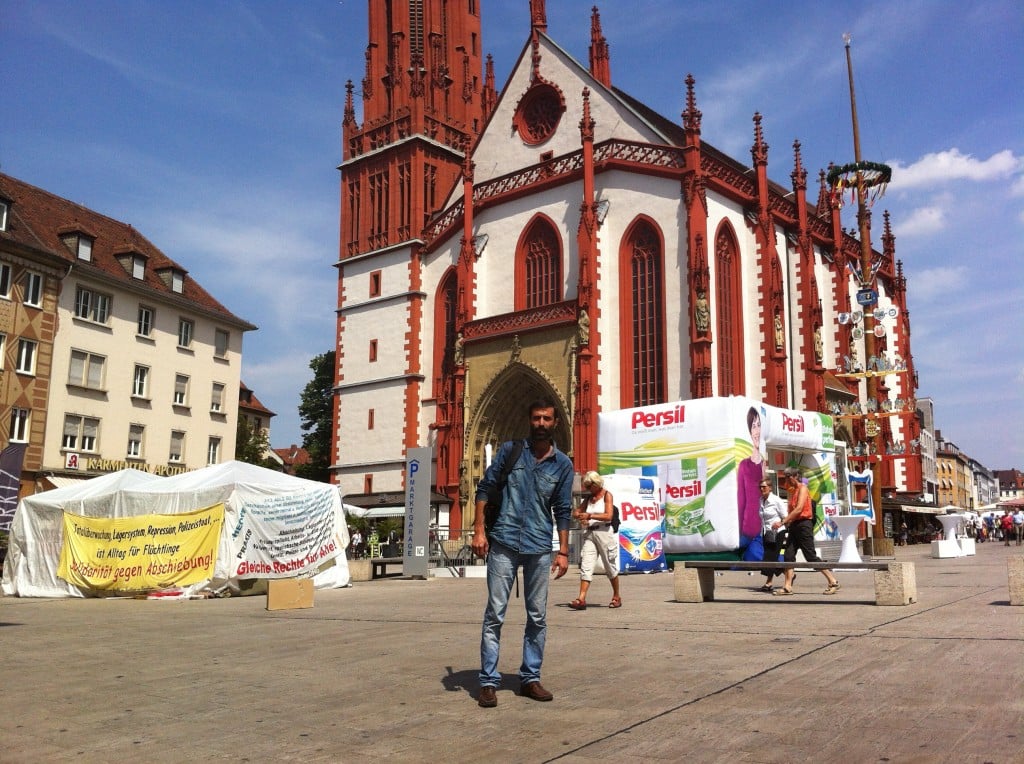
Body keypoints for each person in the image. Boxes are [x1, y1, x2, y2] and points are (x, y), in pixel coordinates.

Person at [471, 398, 574, 708]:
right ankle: (489, 681)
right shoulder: (510, 451)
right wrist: (478, 530)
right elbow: (485, 487)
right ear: (529, 420)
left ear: (555, 422)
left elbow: (563, 508)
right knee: (495, 614)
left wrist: (564, 550)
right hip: (503, 540)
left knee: (538, 616)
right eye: (536, 418)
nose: (541, 423)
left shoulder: (563, 465)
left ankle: (530, 678)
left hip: (540, 545)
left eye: (546, 419)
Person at [773, 467, 840, 596]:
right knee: (788, 555)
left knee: (810, 556)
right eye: (785, 476)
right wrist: (789, 522)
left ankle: (833, 581)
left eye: (788, 476)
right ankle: (787, 586)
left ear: (795, 476)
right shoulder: (792, 491)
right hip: (795, 525)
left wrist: (783, 522)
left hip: (804, 525)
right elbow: (792, 510)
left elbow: (799, 509)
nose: (786, 479)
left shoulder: (803, 488)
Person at [569, 471, 622, 610]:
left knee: (609, 566)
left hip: (604, 532)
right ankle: (581, 598)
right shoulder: (588, 498)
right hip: (590, 533)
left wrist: (590, 515)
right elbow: (577, 512)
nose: (587, 488)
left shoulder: (606, 495)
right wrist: (578, 514)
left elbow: (609, 515)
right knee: (586, 565)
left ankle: (616, 596)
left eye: (589, 485)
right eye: (585, 485)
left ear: (596, 483)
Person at [736, 406, 767, 559]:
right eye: (753, 426)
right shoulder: (744, 465)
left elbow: (766, 496)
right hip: (747, 528)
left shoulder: (763, 464)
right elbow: (741, 500)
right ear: (749, 431)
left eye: (758, 425)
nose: (756, 431)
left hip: (762, 527)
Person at [757, 478, 788, 592]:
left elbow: (785, 517)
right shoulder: (761, 500)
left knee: (771, 557)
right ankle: (788, 574)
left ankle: (769, 583)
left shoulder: (776, 500)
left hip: (778, 532)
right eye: (760, 487)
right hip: (766, 532)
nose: (761, 489)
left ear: (770, 488)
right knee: (770, 557)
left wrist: (779, 523)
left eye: (764, 487)